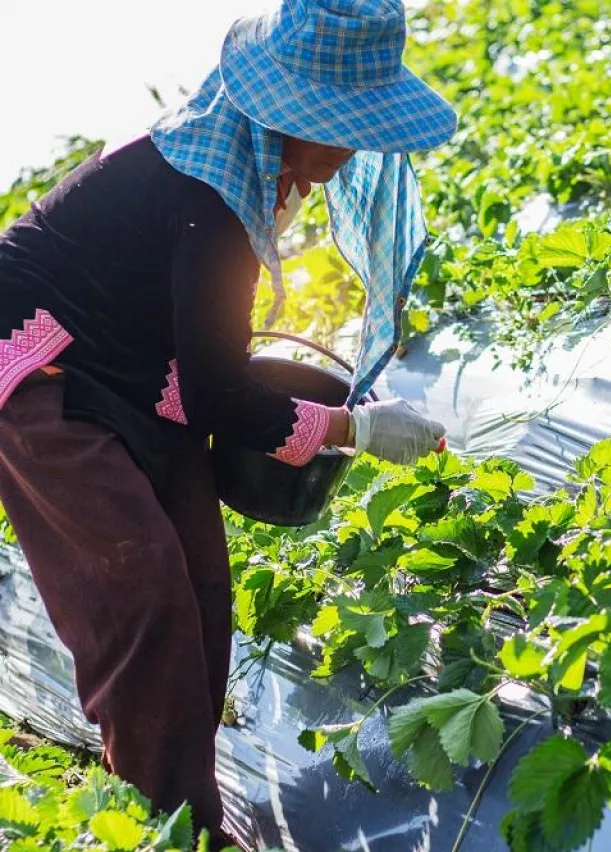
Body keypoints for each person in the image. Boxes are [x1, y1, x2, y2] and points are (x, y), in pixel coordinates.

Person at [0, 0, 456, 845]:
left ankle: (180, 810)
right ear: (291, 116)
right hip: (45, 366)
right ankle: (167, 829)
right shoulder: (208, 194)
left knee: (204, 593)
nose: (356, 146)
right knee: (141, 594)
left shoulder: (252, 171)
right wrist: (354, 430)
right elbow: (216, 397)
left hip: (142, 372)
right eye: (346, 125)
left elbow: (207, 357)